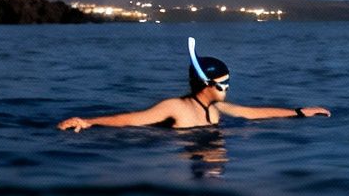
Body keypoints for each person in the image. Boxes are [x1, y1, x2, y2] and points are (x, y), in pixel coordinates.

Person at [57, 38, 331, 130]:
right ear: (206, 85)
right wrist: (89, 122)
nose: (228, 89)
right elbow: (131, 120)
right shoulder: (175, 107)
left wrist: (299, 112)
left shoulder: (217, 109)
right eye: (223, 84)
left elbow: (254, 113)